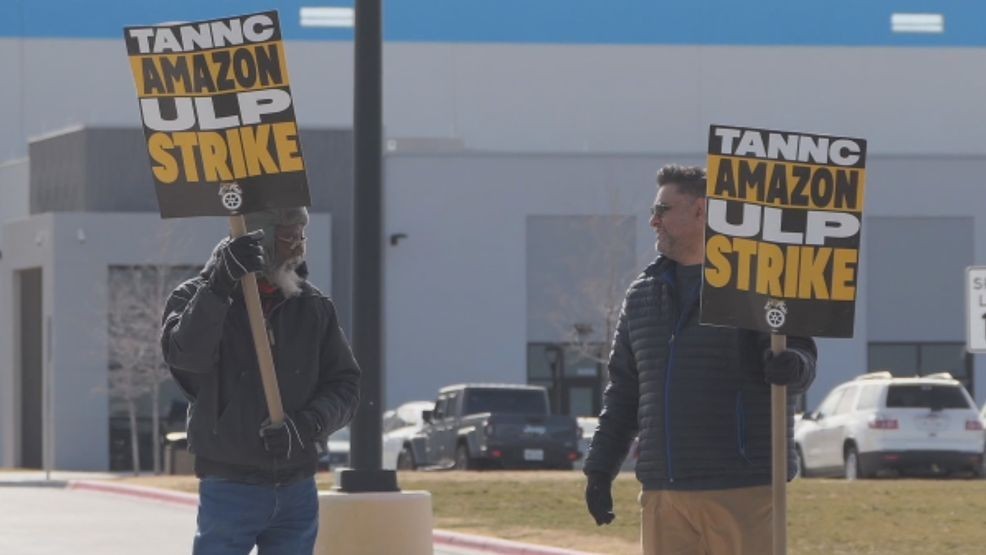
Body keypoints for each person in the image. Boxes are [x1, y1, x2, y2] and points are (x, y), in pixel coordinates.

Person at [583, 165, 817, 555]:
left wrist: (791, 365)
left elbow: (802, 362)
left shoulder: (759, 282)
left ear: (702, 211)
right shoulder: (642, 295)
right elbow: (624, 392)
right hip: (664, 495)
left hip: (741, 489)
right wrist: (599, 469)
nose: (653, 221)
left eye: (663, 209)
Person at [161, 206, 361, 555]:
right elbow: (185, 359)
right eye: (287, 236)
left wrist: (306, 426)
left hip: (297, 488)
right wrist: (218, 287)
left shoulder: (313, 307)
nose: (298, 247)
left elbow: (346, 386)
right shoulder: (192, 298)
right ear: (260, 240)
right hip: (229, 486)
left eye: (302, 235)